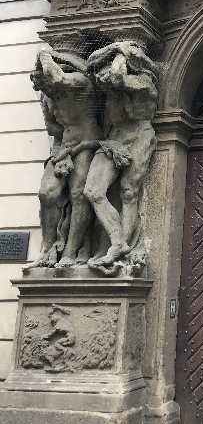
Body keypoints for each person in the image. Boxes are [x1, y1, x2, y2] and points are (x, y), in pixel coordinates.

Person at [83, 41, 159, 274]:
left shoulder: (145, 84)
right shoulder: (108, 79)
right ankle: (117, 241)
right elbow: (90, 64)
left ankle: (121, 248)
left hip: (139, 136)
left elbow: (118, 78)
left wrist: (120, 57)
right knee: (92, 191)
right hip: (112, 139)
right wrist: (116, 47)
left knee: (128, 192)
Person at [26, 48, 101, 268]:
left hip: (87, 142)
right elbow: (52, 127)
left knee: (79, 195)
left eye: (48, 88)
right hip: (63, 146)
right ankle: (47, 248)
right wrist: (63, 153)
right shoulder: (47, 96)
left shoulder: (79, 82)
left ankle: (70, 252)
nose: (48, 93)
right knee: (46, 193)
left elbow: (58, 78)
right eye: (43, 89)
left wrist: (42, 53)